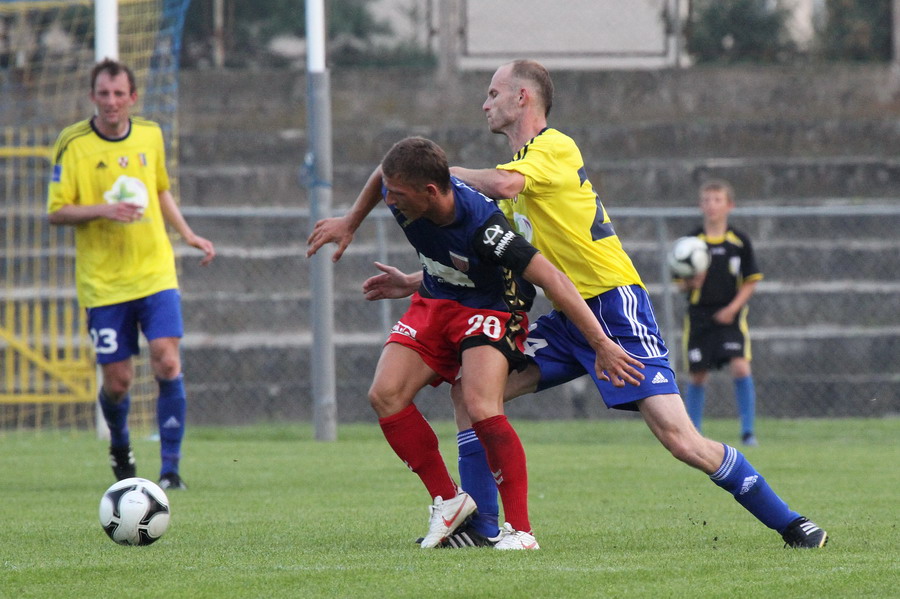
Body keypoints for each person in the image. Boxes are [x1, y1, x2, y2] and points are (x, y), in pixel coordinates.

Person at [363, 60, 827, 549]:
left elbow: (500, 186)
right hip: (568, 319)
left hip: (615, 307)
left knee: (679, 439)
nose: (485, 103)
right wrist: (417, 281)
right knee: (469, 392)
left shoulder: (552, 147)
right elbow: (500, 256)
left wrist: (440, 172)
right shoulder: (520, 175)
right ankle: (482, 528)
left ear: (523, 98)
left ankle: (791, 523)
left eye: (494, 92)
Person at [306, 136, 644, 550]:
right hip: (436, 298)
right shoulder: (400, 189)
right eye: (389, 193)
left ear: (430, 193)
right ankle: (449, 500)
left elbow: (553, 277)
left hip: (493, 307)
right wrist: (349, 223)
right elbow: (382, 173)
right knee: (385, 394)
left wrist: (602, 343)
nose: (390, 201)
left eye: (398, 195)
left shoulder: (486, 228)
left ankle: (521, 532)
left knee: (480, 402)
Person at [47, 59, 215, 490]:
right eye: (103, 93)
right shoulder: (73, 143)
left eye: (119, 94)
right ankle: (120, 444)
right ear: (93, 97)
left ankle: (171, 469)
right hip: (103, 282)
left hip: (155, 271)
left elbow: (159, 190)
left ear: (132, 97)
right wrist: (105, 209)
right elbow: (57, 212)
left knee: (167, 358)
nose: (111, 102)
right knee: (118, 382)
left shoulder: (150, 135)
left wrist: (188, 234)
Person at [678, 180, 762, 446]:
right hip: (700, 317)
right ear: (700, 205)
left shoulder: (739, 241)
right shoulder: (691, 242)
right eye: (707, 200)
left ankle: (748, 432)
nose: (711, 205)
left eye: (717, 200)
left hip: (731, 316)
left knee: (740, 366)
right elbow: (680, 282)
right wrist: (692, 282)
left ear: (729, 205)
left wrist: (732, 309)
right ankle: (694, 433)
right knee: (698, 374)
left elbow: (751, 280)